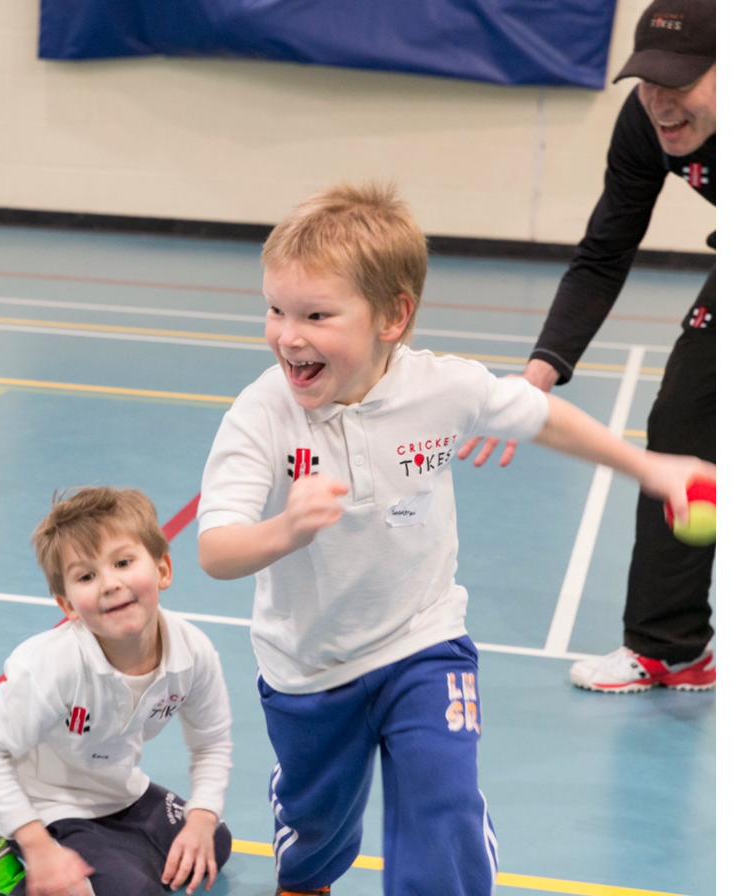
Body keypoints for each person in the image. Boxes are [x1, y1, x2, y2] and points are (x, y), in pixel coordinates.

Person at [197, 183, 714, 895]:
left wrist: (648, 465)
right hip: (307, 668)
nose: (289, 334)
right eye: (276, 310)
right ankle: (306, 876)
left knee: (444, 809)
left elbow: (541, 418)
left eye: (317, 314)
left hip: (423, 642)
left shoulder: (444, 388)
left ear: (394, 317)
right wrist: (285, 529)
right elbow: (216, 550)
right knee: (316, 832)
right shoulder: (261, 416)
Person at [460, 0, 716, 693]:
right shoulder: (645, 124)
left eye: (682, 83)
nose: (662, 102)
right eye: (649, 81)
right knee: (680, 430)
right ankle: (673, 648)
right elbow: (605, 252)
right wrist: (537, 376)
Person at [0, 487, 234, 896]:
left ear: (163, 570)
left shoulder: (193, 652)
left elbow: (212, 743)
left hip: (120, 790)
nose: (110, 584)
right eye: (87, 576)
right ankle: (13, 856)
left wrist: (203, 819)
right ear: (68, 606)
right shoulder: (53, 666)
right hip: (49, 803)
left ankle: (70, 850)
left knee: (213, 843)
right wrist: (37, 843)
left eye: (123, 562)